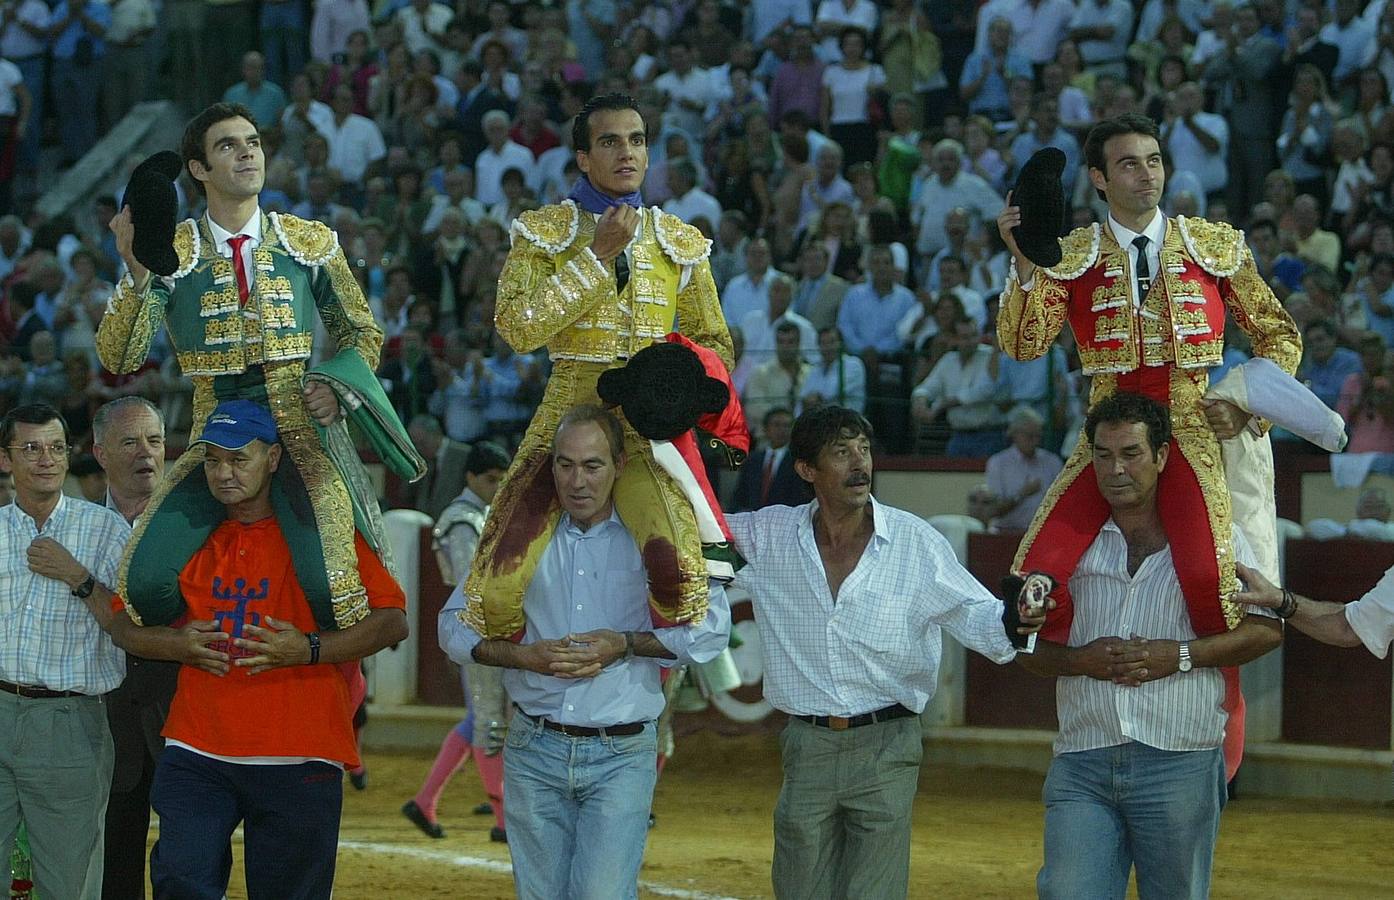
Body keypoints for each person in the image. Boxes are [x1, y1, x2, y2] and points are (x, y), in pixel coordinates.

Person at [996, 113, 1300, 778]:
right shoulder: (1069, 252)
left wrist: (1247, 406)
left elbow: (1280, 335)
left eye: (1155, 160)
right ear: (1100, 179)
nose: (1148, 174)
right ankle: (1084, 688)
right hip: (1106, 430)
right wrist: (1024, 263)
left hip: (1190, 429)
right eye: (1130, 163)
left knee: (1210, 585)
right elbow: (1022, 344)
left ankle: (1221, 741)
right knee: (1036, 573)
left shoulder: (1213, 245)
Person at [95, 102, 416, 642]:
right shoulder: (173, 251)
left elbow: (362, 333)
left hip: (299, 430)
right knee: (146, 584)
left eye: (253, 142)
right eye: (227, 145)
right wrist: (137, 271)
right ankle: (217, 654)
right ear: (198, 170)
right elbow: (121, 360)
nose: (247, 152)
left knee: (332, 589)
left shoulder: (306, 241)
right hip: (214, 435)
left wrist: (335, 386)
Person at [721, 405, 1043, 899]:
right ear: (807, 470)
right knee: (799, 891)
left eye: (865, 449)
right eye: (841, 452)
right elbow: (692, 532)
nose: (860, 463)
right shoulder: (769, 535)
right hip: (807, 747)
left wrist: (1012, 617)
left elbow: (975, 615)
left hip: (887, 745)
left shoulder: (914, 541)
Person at [104, 400, 408, 899]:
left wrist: (308, 648)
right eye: (213, 460)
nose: (223, 473)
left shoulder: (322, 540)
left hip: (300, 749)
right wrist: (175, 643)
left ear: (273, 458)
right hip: (197, 745)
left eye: (238, 459)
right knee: (180, 883)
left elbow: (393, 620)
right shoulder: (188, 540)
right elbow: (122, 623)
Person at [460, 93, 733, 643]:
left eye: (636, 140)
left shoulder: (678, 241)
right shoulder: (545, 231)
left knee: (682, 580)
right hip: (568, 411)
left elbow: (714, 345)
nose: (626, 152)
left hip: (646, 426)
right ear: (583, 157)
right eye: (609, 141)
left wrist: (676, 392)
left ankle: (635, 693)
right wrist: (596, 257)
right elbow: (518, 328)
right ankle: (535, 683)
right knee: (494, 593)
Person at [439, 404, 731, 899]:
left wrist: (626, 644)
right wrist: (522, 656)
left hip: (620, 753)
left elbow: (710, 633)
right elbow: (451, 628)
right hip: (534, 746)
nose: (578, 481)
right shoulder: (519, 540)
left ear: (619, 466)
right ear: (549, 465)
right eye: (565, 464)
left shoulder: (654, 537)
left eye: (592, 465)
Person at [1016, 392, 1281, 899]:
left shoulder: (1217, 541)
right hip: (1083, 759)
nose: (1116, 469)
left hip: (1179, 759)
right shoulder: (1066, 547)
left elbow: (1268, 629)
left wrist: (1178, 655)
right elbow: (1023, 647)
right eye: (1103, 454)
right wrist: (1080, 661)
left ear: (1161, 457)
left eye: (1131, 454)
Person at [0, 403, 130, 899]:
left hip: (70, 724)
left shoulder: (106, 531)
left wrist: (77, 576)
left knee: (68, 883)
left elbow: (127, 628)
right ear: (5, 460)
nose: (46, 459)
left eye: (56, 448)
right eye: (30, 448)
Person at [89, 396, 179, 899]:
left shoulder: (193, 522)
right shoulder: (77, 528)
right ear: (101, 453)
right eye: (130, 442)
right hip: (103, 717)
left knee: (190, 855)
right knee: (112, 859)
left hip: (183, 711)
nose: (146, 452)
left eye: (154, 440)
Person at [403, 440, 511, 842]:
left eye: (502, 480)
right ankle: (504, 821)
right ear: (470, 477)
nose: (497, 487)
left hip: (485, 628)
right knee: (490, 722)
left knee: (476, 720)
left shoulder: (479, 516)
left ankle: (425, 801)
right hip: (477, 630)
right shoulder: (463, 520)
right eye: (490, 479)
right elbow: (473, 582)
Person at [984, 407, 1064, 532]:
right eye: (1030, 436)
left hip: (1042, 534)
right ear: (1014, 434)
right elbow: (994, 509)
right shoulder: (998, 463)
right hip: (1006, 532)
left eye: (1038, 436)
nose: (1035, 441)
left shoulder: (1052, 462)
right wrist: (1021, 495)